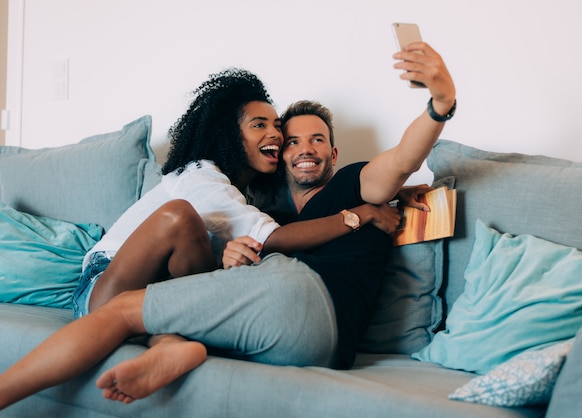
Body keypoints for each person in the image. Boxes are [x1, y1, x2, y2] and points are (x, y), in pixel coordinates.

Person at [0, 40, 455, 408]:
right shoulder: (250, 203)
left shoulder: (355, 181)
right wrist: (234, 258)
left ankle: (164, 340)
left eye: (316, 138)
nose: (294, 144)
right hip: (236, 311)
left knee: (158, 268)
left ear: (335, 154)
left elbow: (400, 160)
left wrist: (438, 105)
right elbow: (265, 243)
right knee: (181, 239)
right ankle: (169, 342)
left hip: (303, 307)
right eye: (285, 136)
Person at [77, 68, 394, 317]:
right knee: (181, 218)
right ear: (230, 135)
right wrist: (361, 215)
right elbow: (274, 238)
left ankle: (169, 340)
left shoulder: (246, 196)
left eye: (276, 126)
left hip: (155, 294)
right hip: (104, 287)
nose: (274, 133)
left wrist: (394, 195)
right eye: (259, 125)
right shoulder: (201, 176)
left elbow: (320, 198)